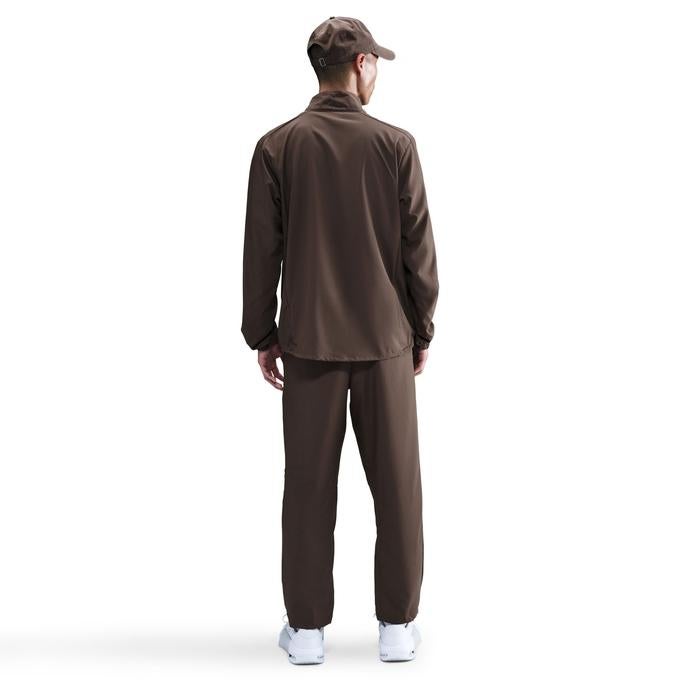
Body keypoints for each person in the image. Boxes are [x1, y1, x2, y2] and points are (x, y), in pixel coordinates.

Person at [241, 16, 439, 665]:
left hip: (308, 344)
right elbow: (419, 250)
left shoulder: (276, 147)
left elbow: (260, 252)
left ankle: (305, 633)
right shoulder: (396, 145)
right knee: (398, 486)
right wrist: (422, 327)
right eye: (375, 61)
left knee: (307, 487)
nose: (377, 71)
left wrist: (261, 333)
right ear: (359, 65)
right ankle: (397, 627)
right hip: (385, 342)